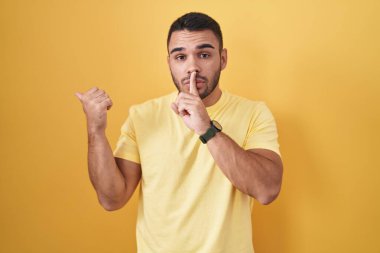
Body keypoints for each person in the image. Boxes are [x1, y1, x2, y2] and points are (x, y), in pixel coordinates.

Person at [76, 12, 283, 253]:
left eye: (204, 55)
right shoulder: (142, 116)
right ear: (169, 63)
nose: (192, 67)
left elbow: (267, 190)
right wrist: (96, 130)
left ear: (223, 59)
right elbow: (112, 199)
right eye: (181, 57)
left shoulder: (254, 113)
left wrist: (206, 128)